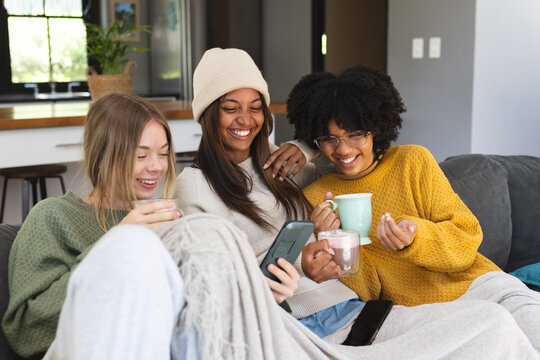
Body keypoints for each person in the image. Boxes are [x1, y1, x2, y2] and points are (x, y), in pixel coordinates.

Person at [175, 47, 540, 355]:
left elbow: (463, 242)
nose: (246, 119)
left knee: (517, 324)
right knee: (496, 330)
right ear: (209, 114)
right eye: (229, 107)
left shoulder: (285, 166)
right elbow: (211, 283)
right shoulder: (201, 187)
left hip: (438, 293)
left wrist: (303, 146)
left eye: (256, 107)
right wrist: (312, 256)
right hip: (328, 318)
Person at [286, 65, 540, 350]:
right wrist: (335, 241)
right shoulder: (317, 198)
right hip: (423, 315)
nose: (343, 150)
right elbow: (367, 290)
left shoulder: (412, 161)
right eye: (329, 139)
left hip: (481, 286)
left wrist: (416, 238)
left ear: (376, 128)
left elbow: (466, 240)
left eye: (355, 134)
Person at [2, 93, 184, 358]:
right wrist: (117, 242)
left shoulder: (161, 217)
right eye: (141, 155)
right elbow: (28, 331)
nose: (156, 167)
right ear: (104, 155)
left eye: (163, 153)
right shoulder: (53, 216)